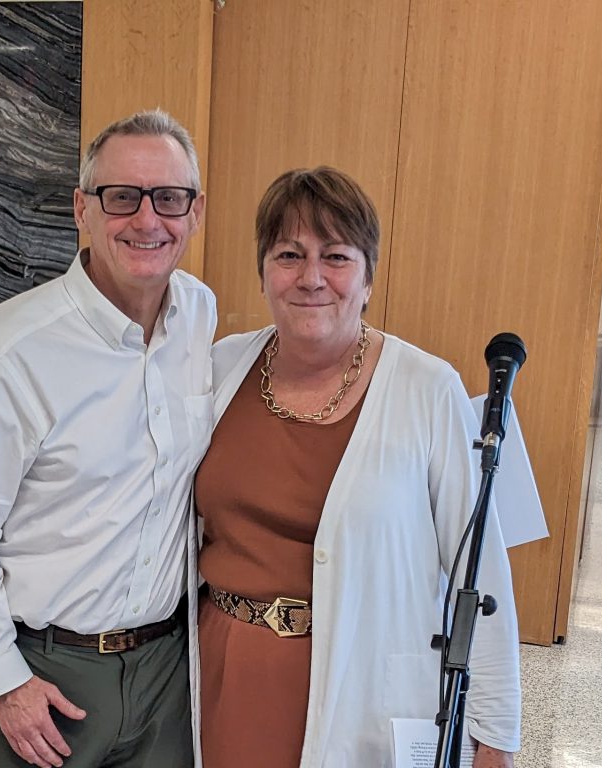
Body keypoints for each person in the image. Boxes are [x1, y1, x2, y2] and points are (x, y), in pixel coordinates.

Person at [194, 167, 520, 768]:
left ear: (368, 276)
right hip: (222, 677)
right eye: (289, 254)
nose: (311, 277)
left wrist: (494, 734)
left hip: (362, 686)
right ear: (263, 270)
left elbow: (481, 571)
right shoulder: (219, 369)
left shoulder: (427, 387)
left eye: (336, 256)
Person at [0, 109, 215, 768]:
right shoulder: (9, 352)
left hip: (167, 669)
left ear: (195, 213)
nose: (147, 220)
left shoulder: (199, 314)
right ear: (82, 209)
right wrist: (5, 680)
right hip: (48, 672)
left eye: (169, 198)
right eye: (121, 197)